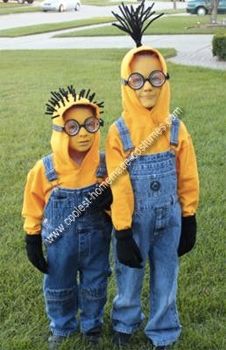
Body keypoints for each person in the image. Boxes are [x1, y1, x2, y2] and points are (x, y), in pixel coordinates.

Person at [106, 2, 199, 349]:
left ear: (165, 80)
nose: (147, 87)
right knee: (128, 275)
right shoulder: (119, 133)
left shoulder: (176, 128)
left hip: (170, 217)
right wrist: (123, 231)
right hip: (135, 220)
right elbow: (117, 184)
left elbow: (187, 174)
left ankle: (163, 329)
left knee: (166, 277)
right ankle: (125, 323)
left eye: (155, 78)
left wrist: (188, 216)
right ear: (126, 83)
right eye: (137, 79)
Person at [22, 86, 112, 350]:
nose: (83, 133)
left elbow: (121, 199)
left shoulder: (104, 166)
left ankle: (91, 326)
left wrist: (110, 198)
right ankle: (61, 326)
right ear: (60, 130)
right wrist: (32, 237)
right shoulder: (46, 169)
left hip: (97, 241)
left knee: (95, 284)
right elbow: (33, 202)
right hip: (60, 244)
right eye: (73, 127)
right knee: (59, 286)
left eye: (90, 125)